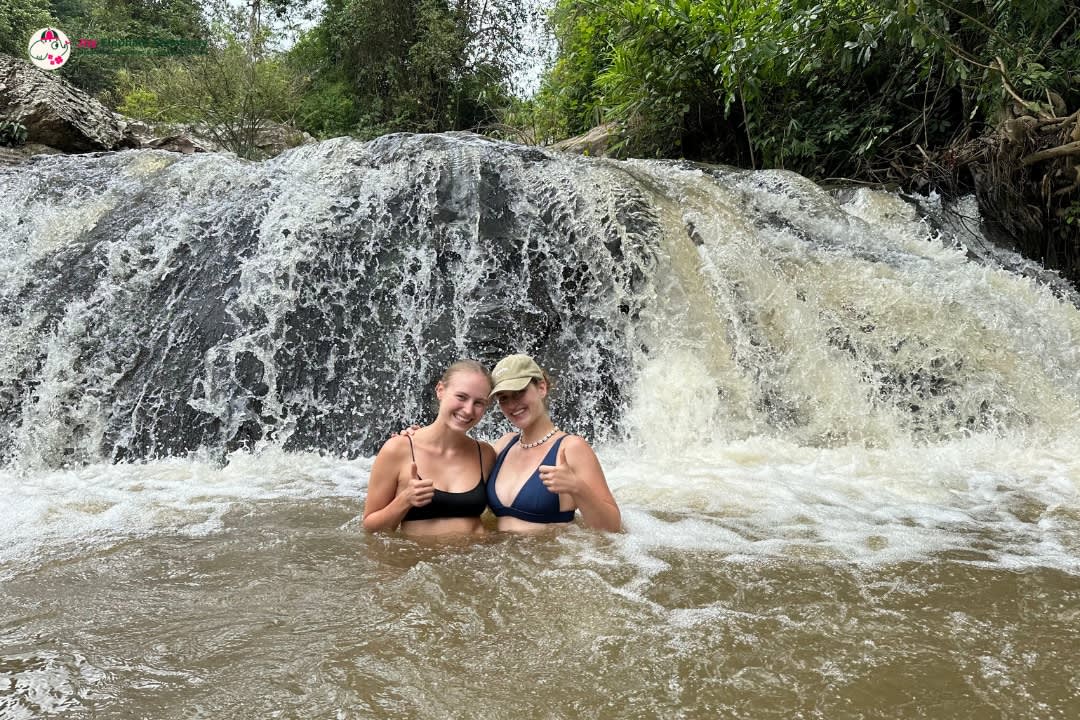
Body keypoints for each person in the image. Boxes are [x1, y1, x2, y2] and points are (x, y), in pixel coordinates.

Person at [486, 354, 621, 533]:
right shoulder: (504, 444)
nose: (512, 405)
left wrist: (577, 487)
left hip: (550, 550)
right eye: (503, 398)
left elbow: (613, 528)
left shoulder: (571, 448)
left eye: (519, 392)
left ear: (542, 388)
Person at [362, 360, 496, 537]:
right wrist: (404, 500)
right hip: (418, 555)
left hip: (476, 553)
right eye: (461, 397)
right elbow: (370, 529)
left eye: (479, 403)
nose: (468, 410)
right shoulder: (398, 449)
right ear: (440, 390)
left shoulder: (485, 454)